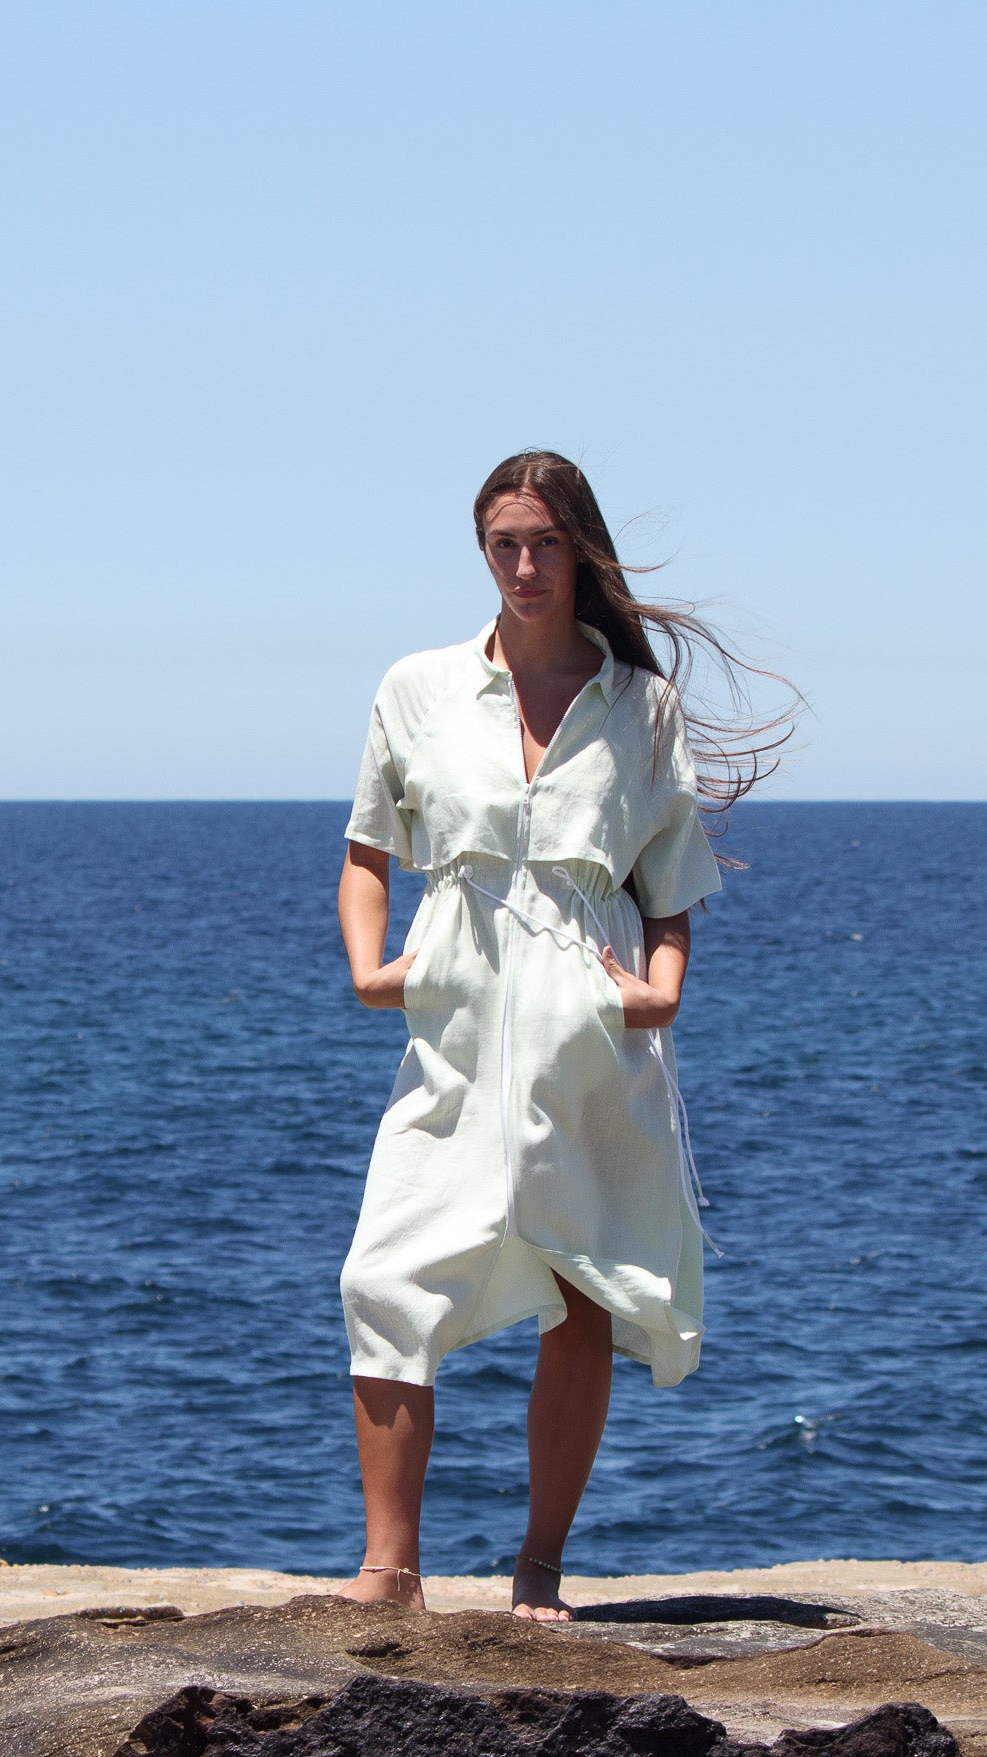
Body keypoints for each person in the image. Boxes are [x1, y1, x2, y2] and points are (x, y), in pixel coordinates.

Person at [336, 449, 788, 1622]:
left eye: (544, 543)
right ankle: (389, 1568)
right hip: (457, 1017)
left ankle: (538, 1569)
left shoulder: (640, 706)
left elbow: (669, 886)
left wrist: (661, 991)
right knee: (386, 1273)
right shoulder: (420, 687)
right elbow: (368, 848)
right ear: (481, 551)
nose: (525, 565)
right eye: (505, 544)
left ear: (580, 549)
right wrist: (371, 967)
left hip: (587, 1028)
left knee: (581, 1288)